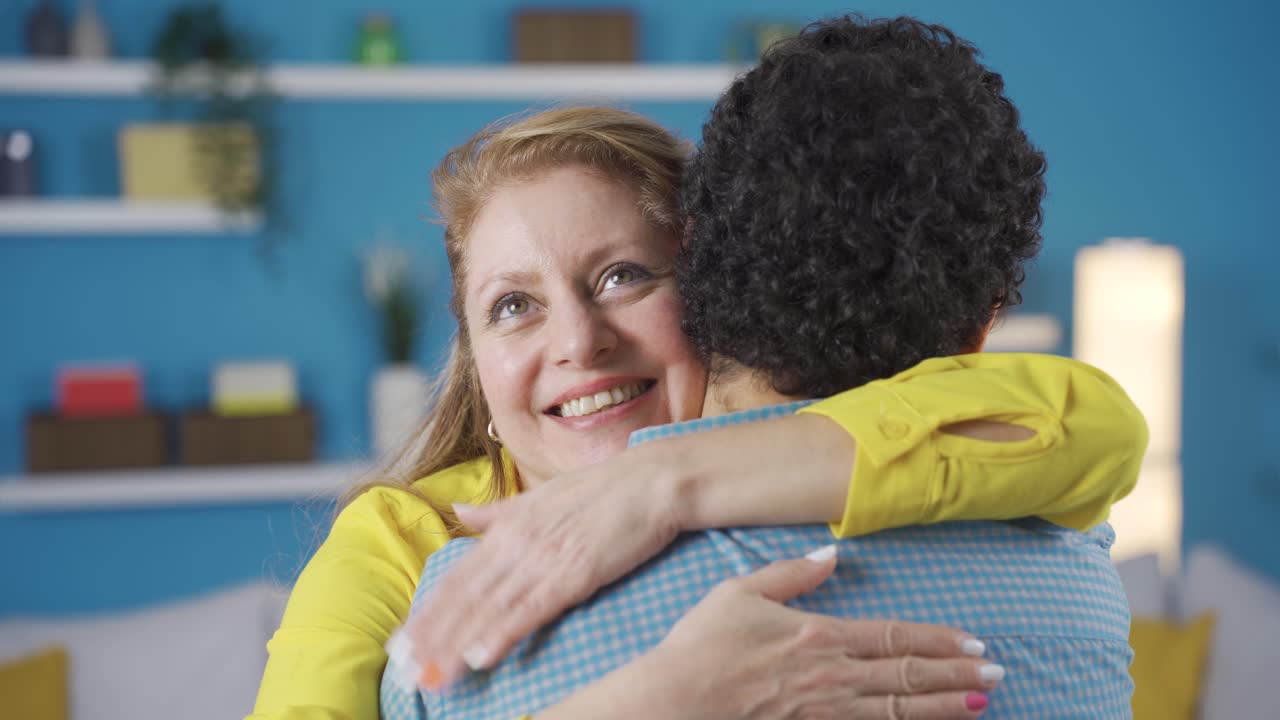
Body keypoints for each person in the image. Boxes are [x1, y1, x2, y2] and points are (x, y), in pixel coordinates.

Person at [251, 100, 1144, 720]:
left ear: (719, 293)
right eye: (513, 306)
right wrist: (654, 706)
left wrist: (664, 483)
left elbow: (1092, 425)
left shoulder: (811, 430)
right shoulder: (401, 541)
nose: (578, 342)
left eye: (622, 276)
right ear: (477, 360)